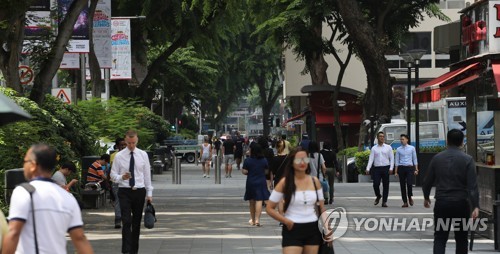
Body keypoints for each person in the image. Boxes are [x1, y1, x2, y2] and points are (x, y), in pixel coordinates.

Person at [3, 144, 94, 254]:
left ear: (32, 165)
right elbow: (79, 238)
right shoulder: (67, 198)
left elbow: (14, 233)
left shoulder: (24, 192)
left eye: (25, 161)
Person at [423, 129, 479, 254]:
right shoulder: (468, 160)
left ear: (447, 141)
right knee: (461, 238)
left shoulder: (437, 158)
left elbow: (427, 181)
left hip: (442, 203)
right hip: (461, 203)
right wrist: (475, 205)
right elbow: (472, 186)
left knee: (440, 237)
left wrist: (426, 197)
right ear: (462, 142)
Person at [266, 148, 331, 253]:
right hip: (292, 229)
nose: (302, 163)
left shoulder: (315, 182)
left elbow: (322, 208)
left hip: (312, 228)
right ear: (291, 163)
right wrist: (285, 220)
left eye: (305, 159)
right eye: (298, 160)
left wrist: (328, 228)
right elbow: (269, 208)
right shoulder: (285, 182)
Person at [110, 130, 154, 254]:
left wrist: (149, 193)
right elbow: (112, 175)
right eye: (129, 143)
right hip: (124, 191)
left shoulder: (143, 155)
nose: (131, 145)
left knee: (136, 222)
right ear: (125, 141)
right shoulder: (119, 156)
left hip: (139, 191)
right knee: (126, 220)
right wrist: (121, 177)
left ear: (137, 140)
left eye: (133, 143)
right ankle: (126, 250)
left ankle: (134, 250)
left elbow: (147, 175)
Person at [242, 143, 270, 227]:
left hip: (251, 181)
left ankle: (253, 220)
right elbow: (266, 171)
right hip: (261, 181)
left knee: (252, 201)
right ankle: (258, 220)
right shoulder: (264, 160)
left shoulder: (248, 160)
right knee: (259, 200)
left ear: (252, 150)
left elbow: (244, 171)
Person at [365, 131, 394, 207]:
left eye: (383, 136)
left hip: (386, 167)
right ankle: (378, 195)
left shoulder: (388, 147)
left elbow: (392, 159)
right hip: (377, 168)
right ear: (377, 138)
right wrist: (368, 168)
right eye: (380, 136)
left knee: (386, 185)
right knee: (376, 184)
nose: (382, 138)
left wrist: (391, 168)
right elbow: (371, 159)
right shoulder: (374, 148)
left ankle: (384, 201)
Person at [394, 134, 419, 208]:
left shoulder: (412, 148)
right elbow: (396, 161)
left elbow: (415, 159)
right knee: (402, 185)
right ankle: (405, 202)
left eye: (403, 139)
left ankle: (410, 196)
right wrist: (395, 172)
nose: (402, 140)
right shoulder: (398, 149)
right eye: (401, 139)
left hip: (409, 168)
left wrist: (416, 169)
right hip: (401, 168)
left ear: (407, 140)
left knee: (409, 183)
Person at [110, 137, 127, 229]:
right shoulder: (115, 156)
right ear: (117, 146)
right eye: (121, 145)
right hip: (117, 181)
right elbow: (113, 170)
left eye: (125, 145)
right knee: (117, 200)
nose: (124, 147)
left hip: (127, 181)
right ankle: (118, 219)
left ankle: (125, 218)